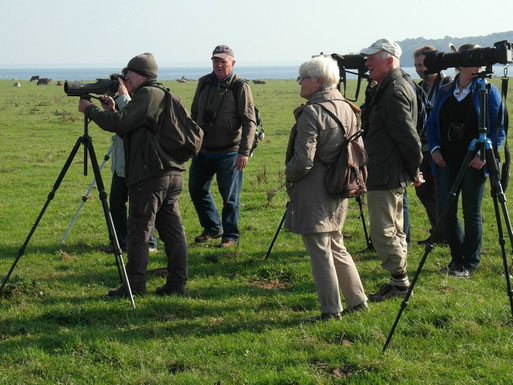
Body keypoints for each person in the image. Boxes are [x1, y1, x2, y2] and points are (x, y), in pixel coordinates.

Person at [78, 53, 188, 297]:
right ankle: (177, 283)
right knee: (172, 230)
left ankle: (135, 286)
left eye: (128, 73)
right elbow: (137, 128)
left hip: (150, 175)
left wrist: (92, 111)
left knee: (139, 230)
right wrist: (114, 108)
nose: (125, 78)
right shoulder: (164, 94)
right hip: (172, 172)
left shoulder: (147, 94)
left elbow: (122, 124)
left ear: (141, 75)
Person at [284, 56, 368, 320]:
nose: (300, 82)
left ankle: (331, 310)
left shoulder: (312, 111)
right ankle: (357, 300)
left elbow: (303, 161)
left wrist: (288, 174)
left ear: (318, 81)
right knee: (336, 245)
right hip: (340, 183)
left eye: (304, 77)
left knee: (320, 251)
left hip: (314, 189)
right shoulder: (347, 106)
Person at [426, 43, 505, 277]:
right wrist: (435, 149)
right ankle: (456, 258)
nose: (479, 63)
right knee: (446, 210)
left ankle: (470, 262)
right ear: (460, 63)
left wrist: (484, 154)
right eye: (473, 59)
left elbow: (498, 127)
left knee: (471, 211)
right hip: (446, 160)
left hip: (474, 161)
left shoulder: (487, 91)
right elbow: (432, 124)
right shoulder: (446, 90)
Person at [359, 39, 424, 302]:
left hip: (386, 172)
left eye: (371, 58)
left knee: (383, 232)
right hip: (388, 170)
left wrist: (414, 168)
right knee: (395, 229)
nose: (366, 63)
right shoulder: (390, 86)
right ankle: (398, 282)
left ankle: (400, 284)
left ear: (389, 60)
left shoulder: (394, 90)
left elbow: (408, 137)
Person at [189, 45, 257, 248]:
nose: (218, 65)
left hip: (229, 151)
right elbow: (194, 114)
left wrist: (244, 152)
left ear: (232, 63)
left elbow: (249, 121)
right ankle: (212, 227)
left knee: (230, 197)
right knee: (196, 188)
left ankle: (231, 236)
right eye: (215, 61)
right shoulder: (204, 83)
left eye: (223, 61)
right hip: (203, 150)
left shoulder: (240, 87)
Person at [105, 77, 158, 254]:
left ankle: (149, 243)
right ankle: (120, 242)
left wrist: (123, 98)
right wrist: (112, 110)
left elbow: (133, 122)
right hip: (120, 165)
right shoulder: (123, 101)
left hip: (137, 165)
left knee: (142, 206)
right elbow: (119, 127)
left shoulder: (142, 99)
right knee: (116, 204)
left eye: (126, 82)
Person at [413, 45, 453, 244]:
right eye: (417, 65)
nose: (420, 68)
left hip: (440, 150)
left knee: (441, 194)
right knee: (425, 193)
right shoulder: (419, 87)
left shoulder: (448, 84)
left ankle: (447, 234)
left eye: (423, 64)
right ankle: (438, 231)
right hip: (422, 149)